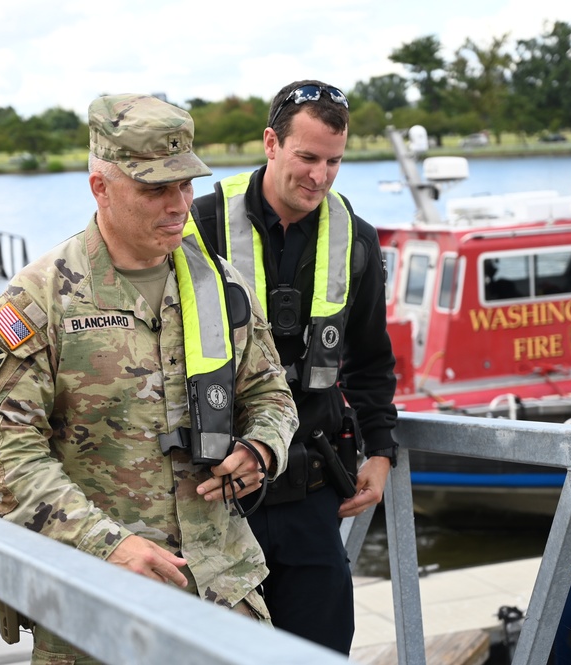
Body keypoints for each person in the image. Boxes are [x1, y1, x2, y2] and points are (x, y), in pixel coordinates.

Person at [0, 93, 298, 663]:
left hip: (220, 587)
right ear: (100, 186)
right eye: (154, 189)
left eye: (185, 185)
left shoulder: (219, 285)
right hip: (98, 598)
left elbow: (271, 393)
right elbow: (7, 458)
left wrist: (262, 449)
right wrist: (108, 545)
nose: (178, 206)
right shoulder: (39, 299)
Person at [193, 79, 399, 654]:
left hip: (312, 494)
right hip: (217, 494)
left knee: (322, 652)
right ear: (270, 144)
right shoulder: (196, 226)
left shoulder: (355, 239)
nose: (320, 176)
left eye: (335, 161)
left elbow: (371, 358)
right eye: (307, 157)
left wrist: (381, 452)